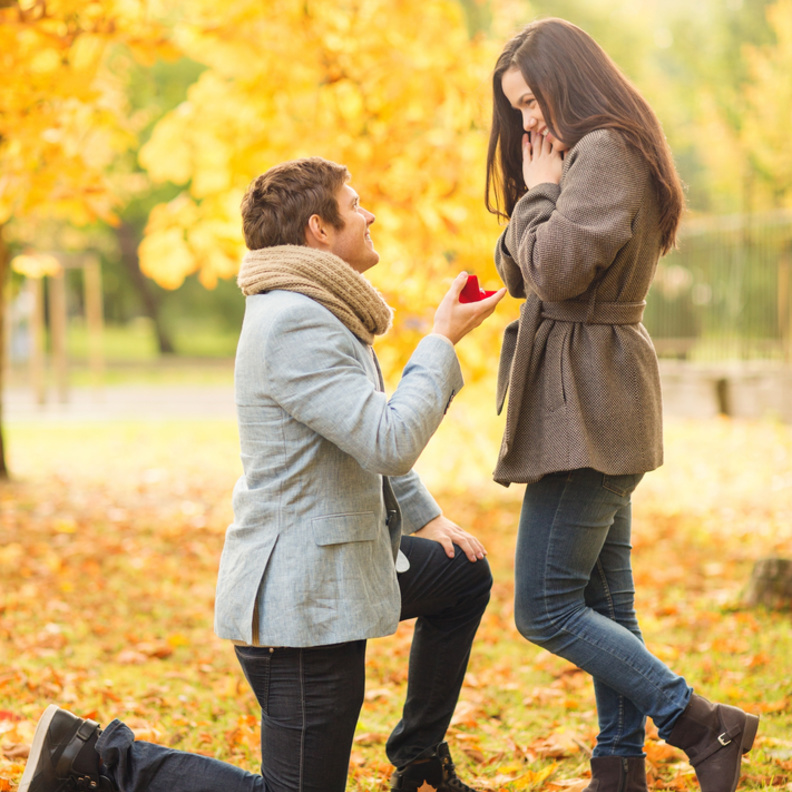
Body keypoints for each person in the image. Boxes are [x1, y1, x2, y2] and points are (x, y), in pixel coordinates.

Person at [20, 157, 506, 792]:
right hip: (299, 604)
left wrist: (426, 516)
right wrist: (440, 342)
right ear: (319, 229)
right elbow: (386, 440)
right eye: (355, 203)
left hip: (338, 566)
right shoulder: (295, 323)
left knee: (462, 575)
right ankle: (95, 757)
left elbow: (353, 433)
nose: (370, 214)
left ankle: (417, 758)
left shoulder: (317, 312)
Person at [485, 18, 758, 792]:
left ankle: (703, 723)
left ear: (569, 80)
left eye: (532, 101)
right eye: (516, 109)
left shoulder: (603, 151)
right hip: (592, 393)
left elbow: (558, 269)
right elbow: (519, 270)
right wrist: (536, 204)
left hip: (587, 403)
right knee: (608, 600)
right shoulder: (591, 153)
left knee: (543, 607)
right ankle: (620, 765)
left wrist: (537, 198)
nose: (528, 122)